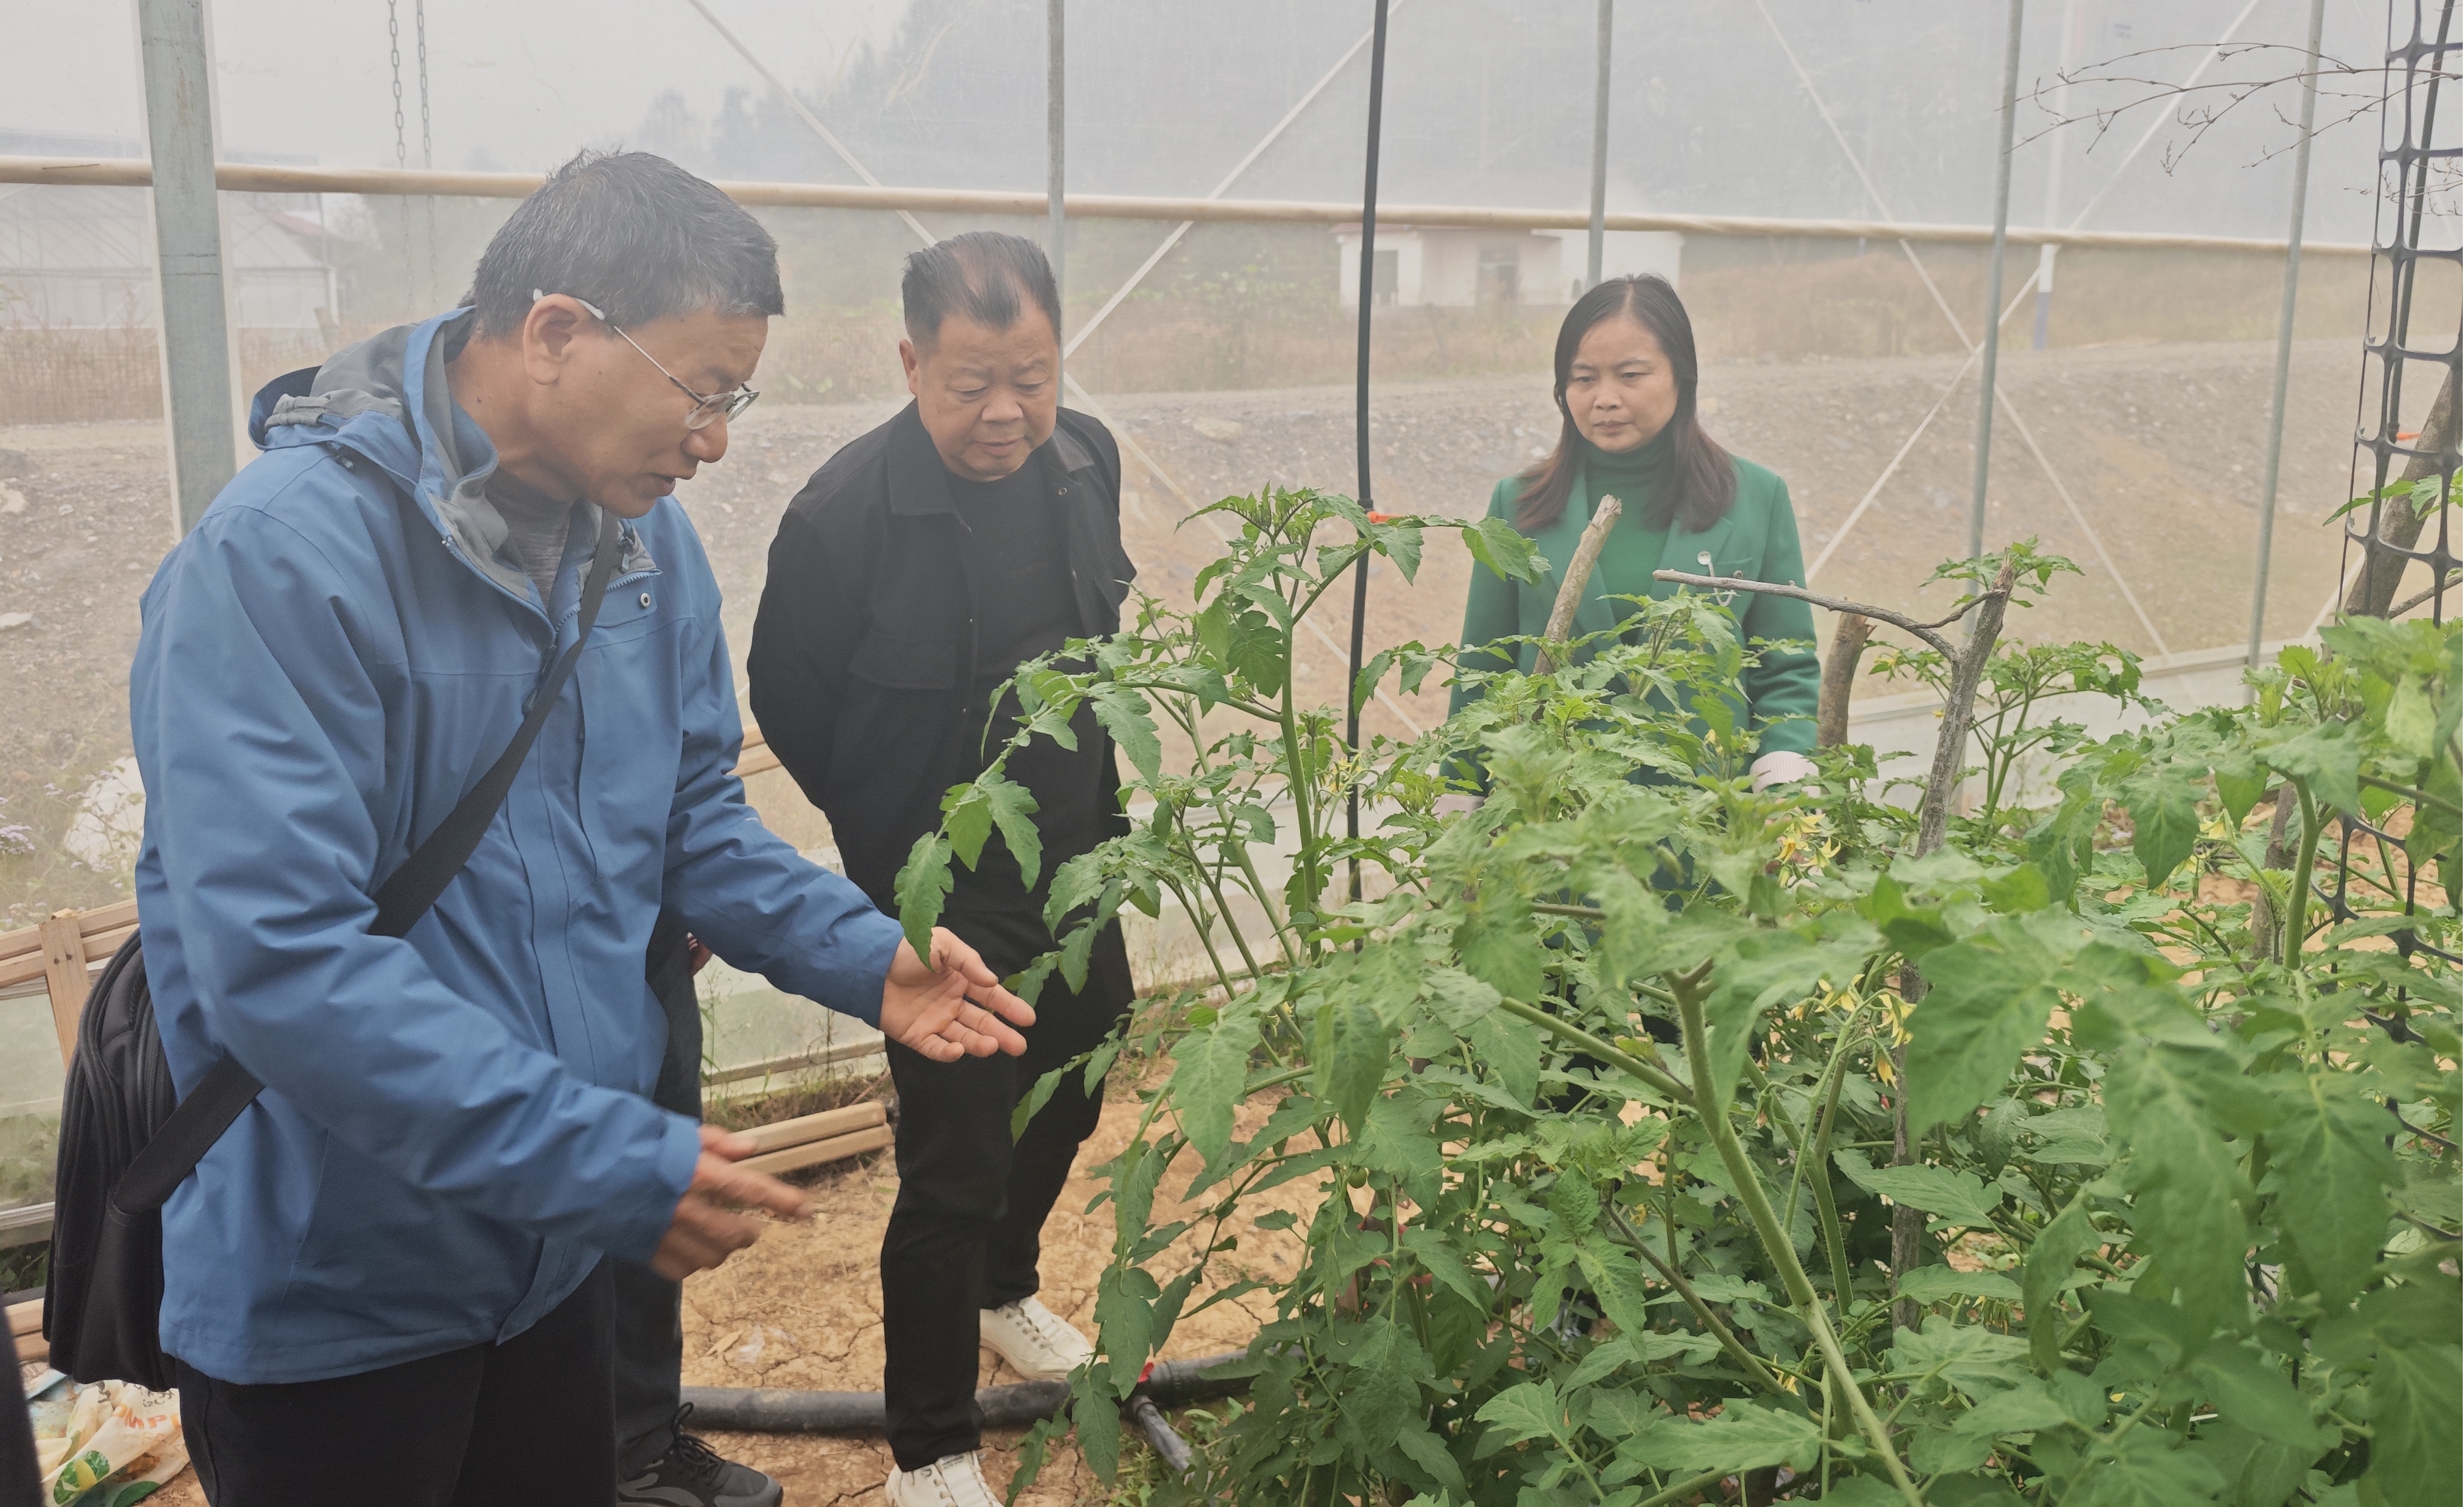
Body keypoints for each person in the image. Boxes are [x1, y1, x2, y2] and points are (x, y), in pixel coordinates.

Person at [129, 151, 1036, 1507]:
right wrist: (595, 1155)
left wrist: (866, 954)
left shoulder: (642, 546)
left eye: (737, 397)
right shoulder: (280, 562)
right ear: (556, 332)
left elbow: (688, 816)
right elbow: (283, 959)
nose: (716, 436)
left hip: (554, 1252)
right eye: (700, 390)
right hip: (340, 1283)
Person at [747, 232, 1139, 1507]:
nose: (1008, 411)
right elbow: (791, 704)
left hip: (1079, 855)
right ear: (910, 361)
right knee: (957, 1149)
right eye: (972, 382)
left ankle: (1002, 1283)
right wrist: (891, 855)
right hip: (940, 887)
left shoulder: (1086, 460)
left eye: (1032, 373)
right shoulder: (841, 517)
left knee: (1080, 1068)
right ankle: (930, 1443)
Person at [1450, 274, 1818, 789]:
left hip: (1709, 822)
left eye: (1630, 375)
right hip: (1555, 825)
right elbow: (1481, 677)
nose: (1605, 398)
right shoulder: (1516, 506)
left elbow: (1787, 669)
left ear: (1681, 377)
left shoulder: (1757, 497)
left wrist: (1783, 786)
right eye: (1583, 379)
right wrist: (1462, 807)